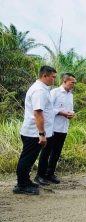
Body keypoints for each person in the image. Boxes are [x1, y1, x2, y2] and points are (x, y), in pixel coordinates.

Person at [13, 66, 57, 195]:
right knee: (27, 159)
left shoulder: (42, 89)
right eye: (52, 77)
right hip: (33, 132)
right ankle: (21, 185)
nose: (54, 80)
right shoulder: (39, 91)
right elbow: (38, 113)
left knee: (30, 159)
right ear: (44, 76)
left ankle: (25, 181)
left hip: (34, 132)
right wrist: (42, 134)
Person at [40, 73, 76, 184]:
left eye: (74, 83)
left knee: (56, 153)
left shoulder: (71, 95)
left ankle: (50, 174)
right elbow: (49, 110)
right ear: (65, 81)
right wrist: (62, 113)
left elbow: (71, 109)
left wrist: (71, 114)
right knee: (46, 152)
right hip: (52, 128)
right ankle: (41, 175)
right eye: (72, 82)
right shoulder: (54, 92)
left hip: (63, 128)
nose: (73, 85)